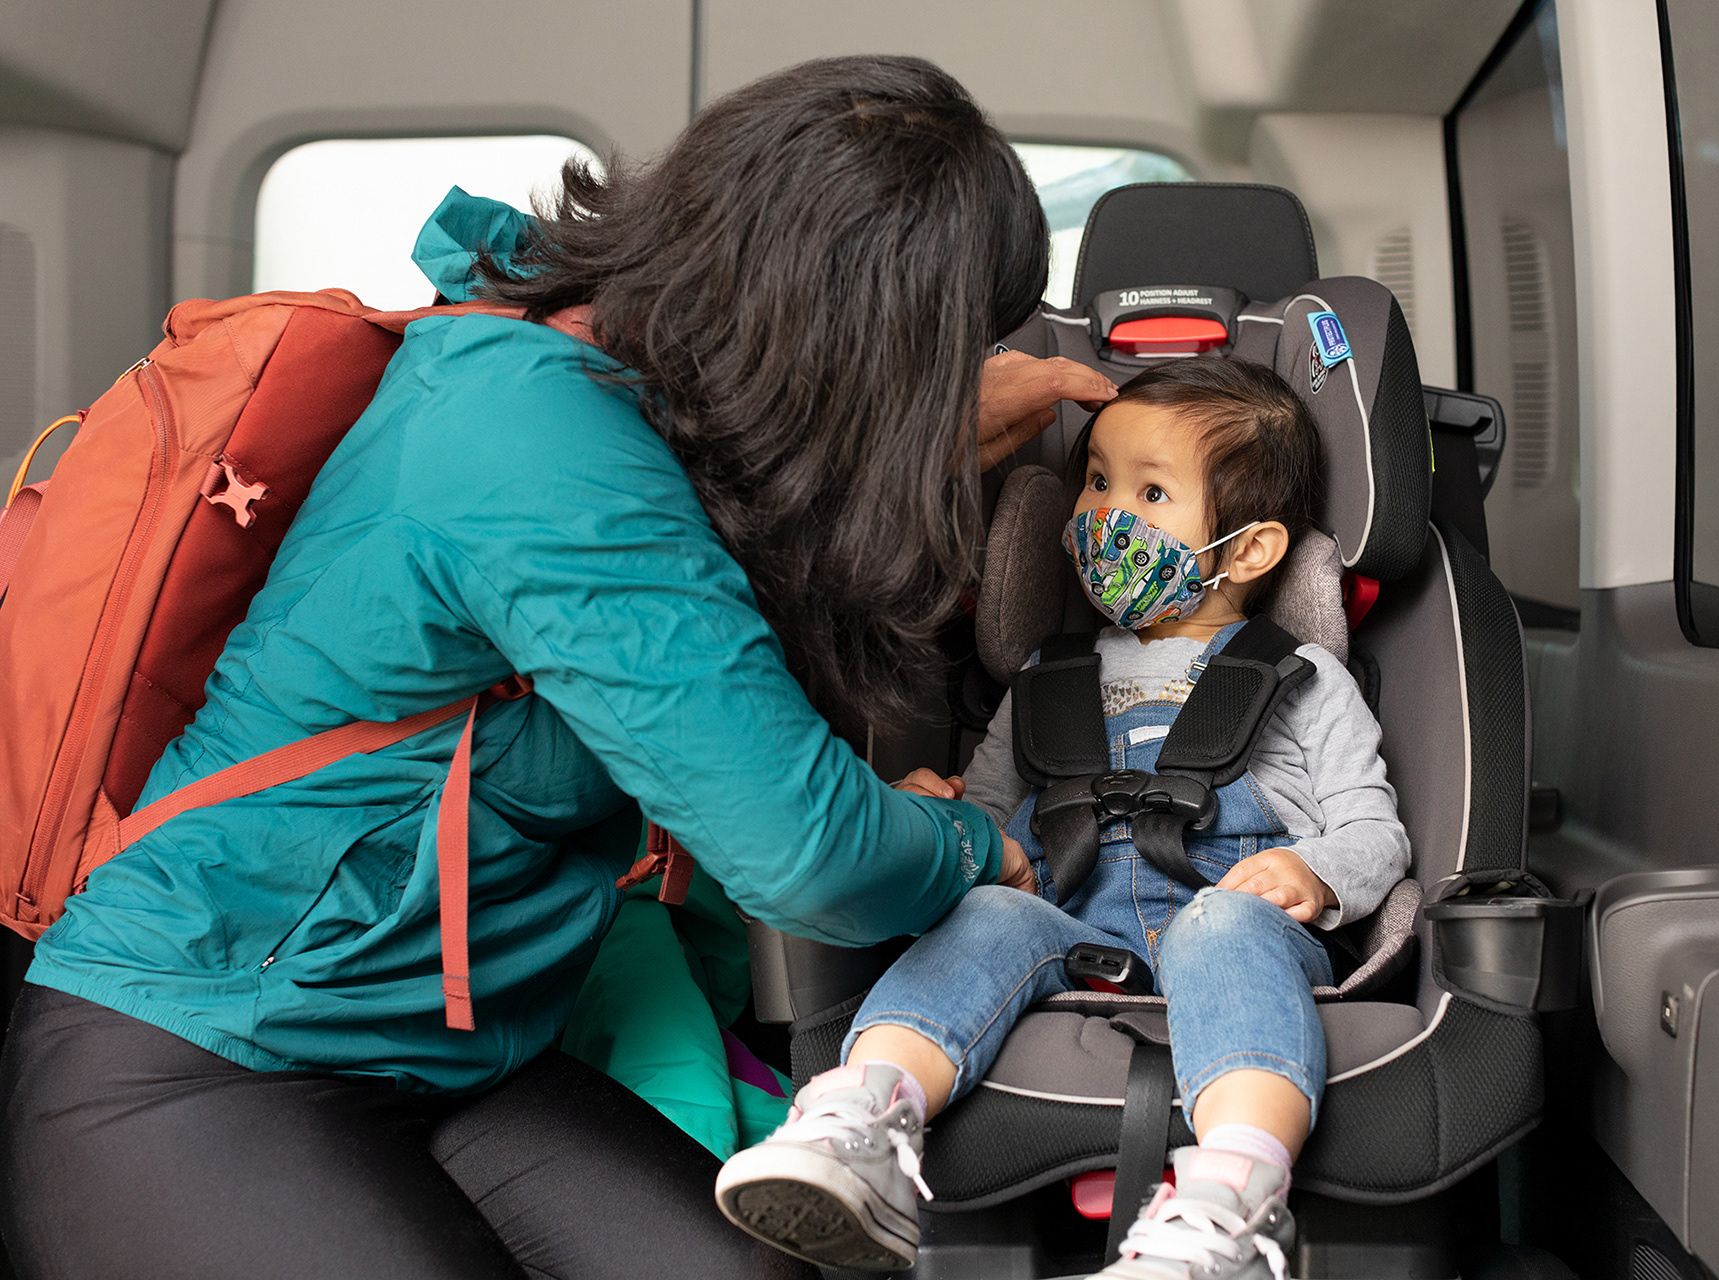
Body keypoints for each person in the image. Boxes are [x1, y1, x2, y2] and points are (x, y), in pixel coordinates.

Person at [0, 57, 1112, 1280]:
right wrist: (970, 846)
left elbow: (709, 598)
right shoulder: (539, 441)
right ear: (856, 324)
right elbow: (808, 853)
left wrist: (923, 441)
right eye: (944, 351)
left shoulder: (603, 364)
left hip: (454, 1057)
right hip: (204, 1049)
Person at [715, 358, 1411, 1278]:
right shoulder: (1047, 682)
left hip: (1242, 934)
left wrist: (1314, 873)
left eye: (1149, 493)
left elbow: (1375, 834)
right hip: (1073, 936)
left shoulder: (1302, 677)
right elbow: (990, 829)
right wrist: (936, 817)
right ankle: (860, 1122)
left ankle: (1231, 1204)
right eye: (1097, 482)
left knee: (1222, 924)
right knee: (987, 909)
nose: (1103, 514)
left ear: (1248, 551)